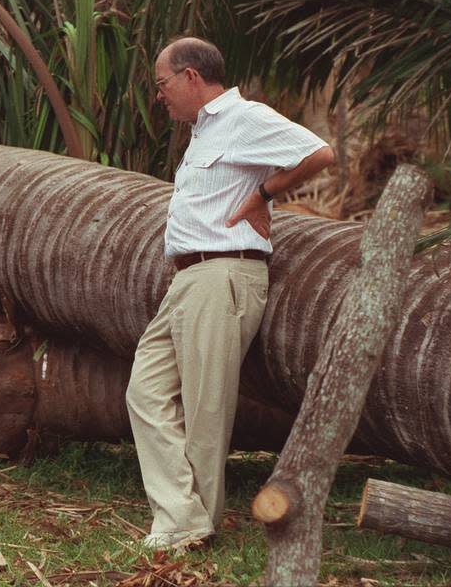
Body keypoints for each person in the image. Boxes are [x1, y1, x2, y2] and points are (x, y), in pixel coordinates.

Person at [126, 37, 335, 551]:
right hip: (189, 279)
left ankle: (188, 528)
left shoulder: (244, 118)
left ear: (192, 76)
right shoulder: (204, 132)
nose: (160, 96)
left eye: (163, 84)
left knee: (205, 408)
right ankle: (184, 515)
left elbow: (321, 152)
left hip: (224, 275)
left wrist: (263, 195)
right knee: (145, 391)